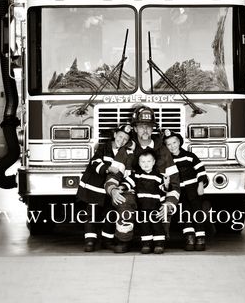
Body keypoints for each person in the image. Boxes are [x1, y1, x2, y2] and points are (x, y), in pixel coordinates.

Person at [106, 106, 180, 252]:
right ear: (135, 128)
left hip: (155, 196)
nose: (145, 130)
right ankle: (124, 240)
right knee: (124, 200)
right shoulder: (126, 150)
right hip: (132, 193)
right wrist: (113, 190)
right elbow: (114, 175)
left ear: (153, 129)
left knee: (163, 209)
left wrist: (169, 204)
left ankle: (159, 241)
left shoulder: (163, 151)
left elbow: (174, 183)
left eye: (149, 126)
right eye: (141, 126)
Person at [76, 123, 132, 251]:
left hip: (109, 189)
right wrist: (107, 169)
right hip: (94, 187)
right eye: (120, 136)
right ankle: (90, 241)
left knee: (110, 214)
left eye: (125, 139)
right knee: (92, 214)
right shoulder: (103, 147)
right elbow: (94, 162)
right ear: (114, 135)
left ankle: (107, 241)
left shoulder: (125, 153)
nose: (121, 140)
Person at [162, 129, 209, 251]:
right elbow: (168, 177)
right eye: (169, 144)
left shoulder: (189, 156)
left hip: (193, 190)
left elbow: (200, 170)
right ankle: (189, 237)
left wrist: (201, 184)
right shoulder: (168, 161)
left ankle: (200, 238)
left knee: (197, 213)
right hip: (180, 193)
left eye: (174, 143)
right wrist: (167, 186)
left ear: (179, 142)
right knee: (184, 214)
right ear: (166, 146)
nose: (172, 146)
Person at [130, 149, 168, 254]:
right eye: (143, 162)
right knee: (144, 225)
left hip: (155, 205)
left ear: (154, 162)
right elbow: (128, 182)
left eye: (148, 161)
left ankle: (159, 244)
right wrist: (122, 187)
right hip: (142, 206)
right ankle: (146, 244)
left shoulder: (158, 176)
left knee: (157, 225)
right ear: (139, 163)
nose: (146, 164)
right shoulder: (137, 175)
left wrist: (167, 185)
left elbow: (163, 190)